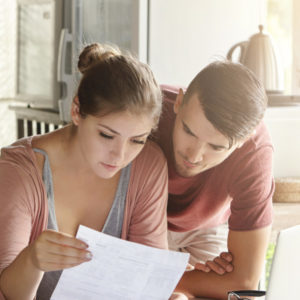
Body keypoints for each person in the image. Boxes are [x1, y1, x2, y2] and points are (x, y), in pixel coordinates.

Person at [0, 43, 169, 300]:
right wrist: (32, 261)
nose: (120, 155)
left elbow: (147, 284)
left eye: (137, 140)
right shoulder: (18, 173)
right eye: (106, 135)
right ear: (77, 111)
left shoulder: (148, 166)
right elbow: (8, 293)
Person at [153, 61, 274, 299]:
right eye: (188, 131)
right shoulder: (148, 109)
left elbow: (244, 283)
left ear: (243, 141)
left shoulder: (255, 152)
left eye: (216, 147)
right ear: (179, 102)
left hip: (206, 228)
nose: (193, 156)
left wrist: (163, 276)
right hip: (141, 222)